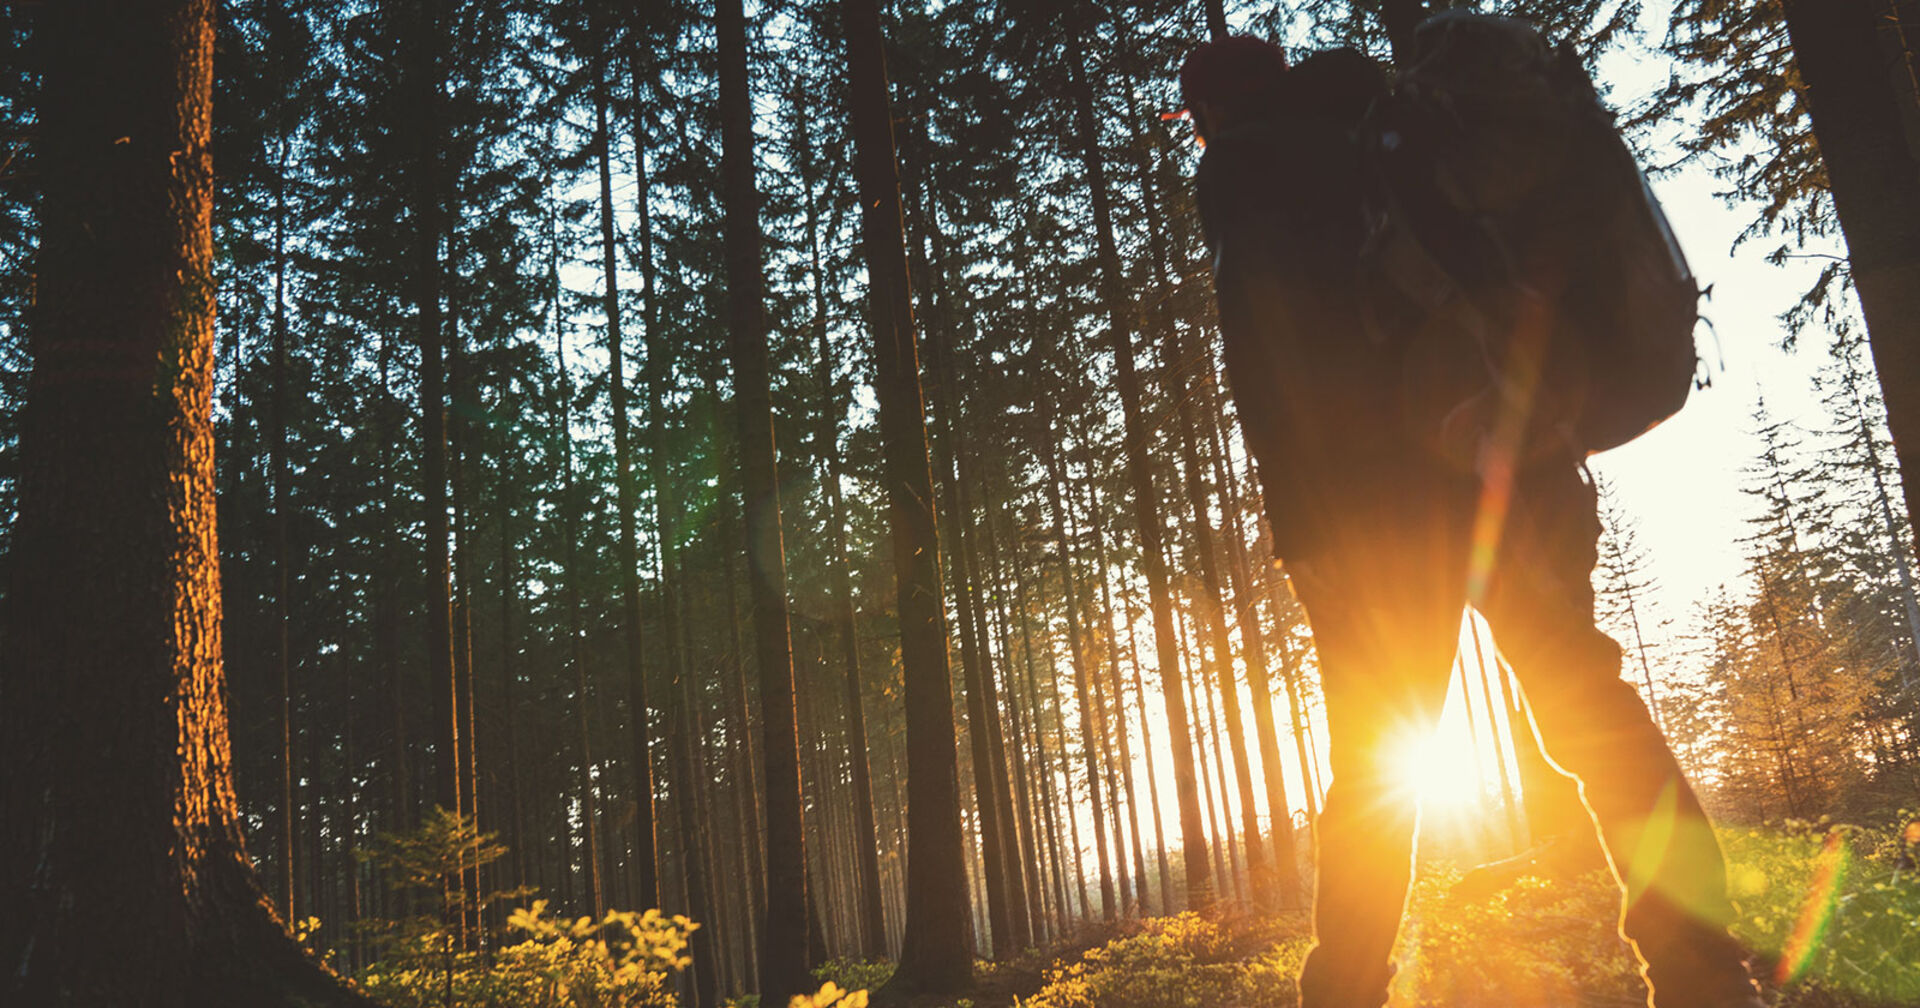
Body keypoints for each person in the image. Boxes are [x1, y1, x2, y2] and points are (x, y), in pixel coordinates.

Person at [1179, 34, 1764, 1008]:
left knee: (1373, 769)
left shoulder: (1247, 171)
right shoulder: (1392, 129)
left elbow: (1273, 370)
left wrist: (1306, 537)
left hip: (1378, 521)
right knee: (1588, 704)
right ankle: (1704, 968)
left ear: (1215, 111)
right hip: (1511, 465)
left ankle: (1346, 994)